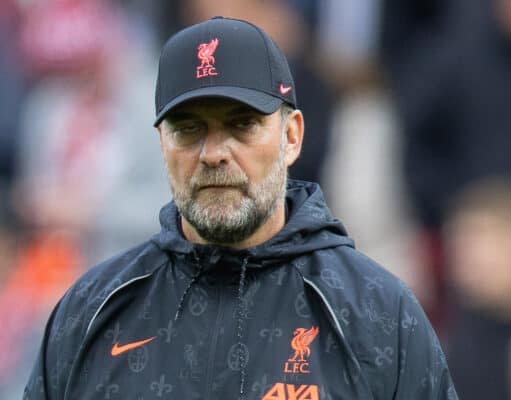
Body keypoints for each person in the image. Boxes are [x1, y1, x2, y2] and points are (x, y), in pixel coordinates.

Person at [24, 17, 457, 400]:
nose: (213, 153)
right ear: (162, 144)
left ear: (292, 137)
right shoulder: (92, 311)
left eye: (242, 124)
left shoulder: (376, 314)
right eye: (189, 129)